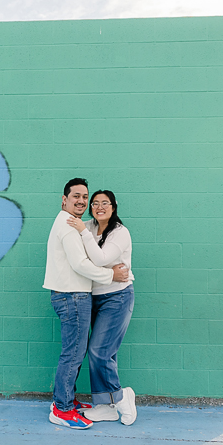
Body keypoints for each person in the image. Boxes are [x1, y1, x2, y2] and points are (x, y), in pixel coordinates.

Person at [43, 178, 129, 429]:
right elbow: (80, 264)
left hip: (73, 295)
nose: (81, 201)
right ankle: (62, 409)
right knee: (73, 354)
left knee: (76, 353)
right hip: (72, 296)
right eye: (76, 196)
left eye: (84, 197)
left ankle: (65, 399)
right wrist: (111, 275)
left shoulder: (71, 223)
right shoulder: (69, 225)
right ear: (64, 200)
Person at [66, 189, 136, 425]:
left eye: (104, 203)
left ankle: (121, 395)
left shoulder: (120, 232)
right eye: (94, 203)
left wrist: (84, 233)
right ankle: (104, 406)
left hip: (117, 298)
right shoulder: (88, 227)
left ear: (114, 206)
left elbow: (101, 259)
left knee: (99, 351)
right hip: (95, 297)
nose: (98, 207)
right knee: (103, 354)